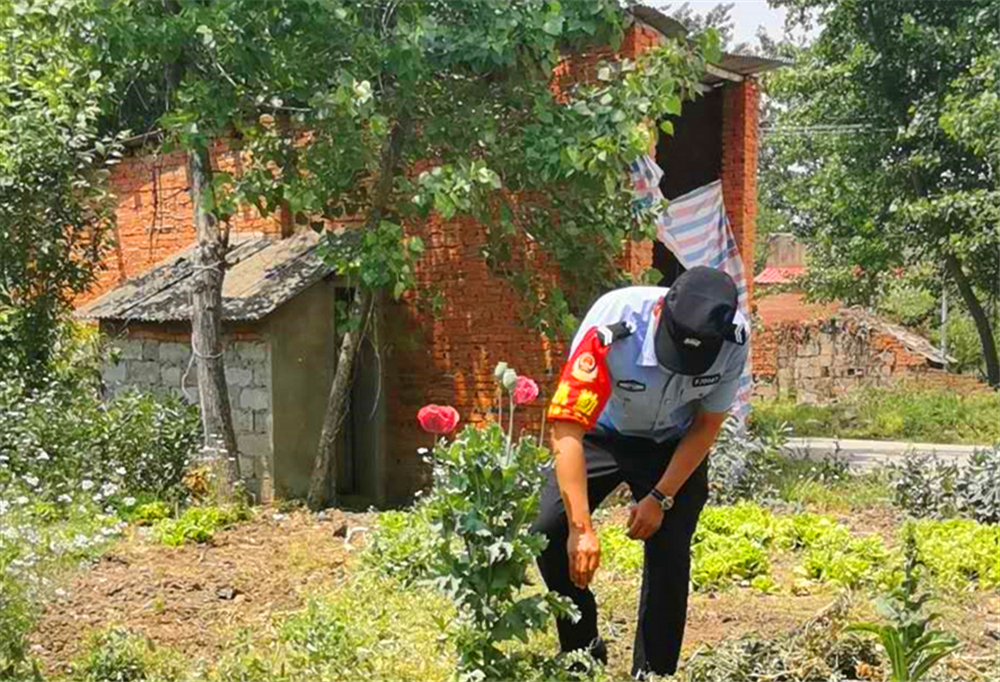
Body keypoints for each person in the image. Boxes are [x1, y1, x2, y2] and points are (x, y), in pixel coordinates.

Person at [531, 266, 750, 678]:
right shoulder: (615, 321)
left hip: (673, 441)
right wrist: (581, 526)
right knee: (549, 530)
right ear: (659, 312)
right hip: (602, 430)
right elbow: (567, 425)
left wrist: (661, 497)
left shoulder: (733, 338)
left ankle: (653, 672)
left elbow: (706, 426)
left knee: (669, 550)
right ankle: (582, 648)